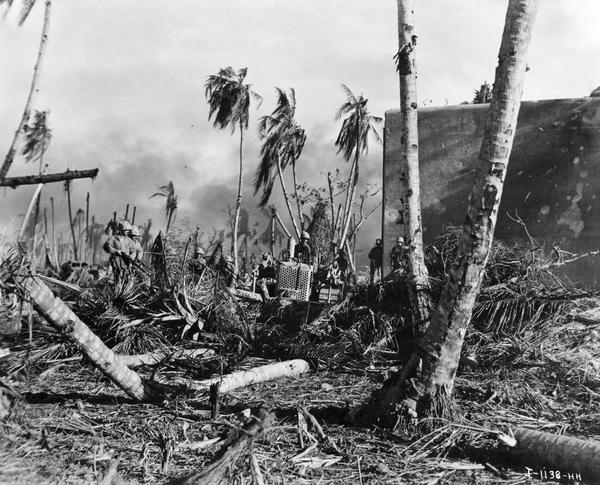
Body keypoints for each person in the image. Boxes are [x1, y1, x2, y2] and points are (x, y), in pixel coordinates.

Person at [103, 220, 133, 285]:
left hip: (126, 263)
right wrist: (116, 251)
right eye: (126, 230)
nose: (128, 232)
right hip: (116, 262)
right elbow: (106, 246)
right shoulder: (113, 238)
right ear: (122, 230)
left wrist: (131, 257)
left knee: (126, 280)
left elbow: (133, 251)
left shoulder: (129, 240)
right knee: (117, 279)